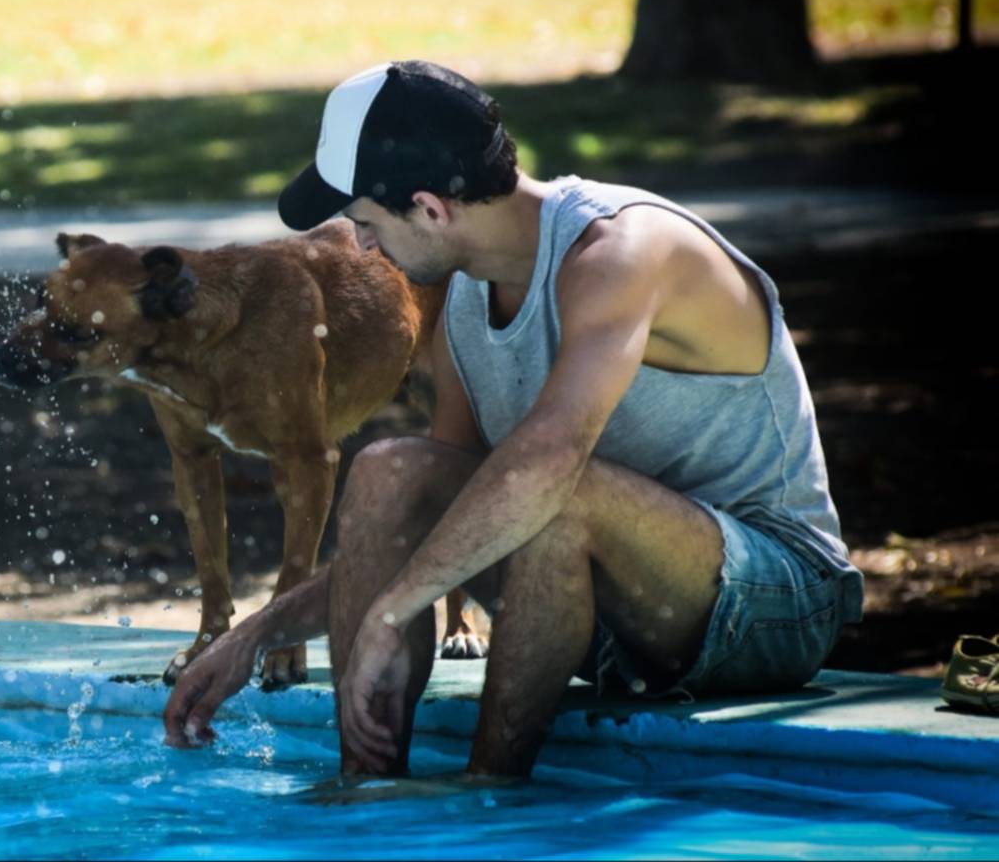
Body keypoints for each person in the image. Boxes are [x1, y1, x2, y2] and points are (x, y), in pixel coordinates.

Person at [162, 60, 864, 778]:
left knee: (556, 494)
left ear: (431, 208)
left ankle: (488, 797)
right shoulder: (466, 300)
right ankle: (366, 795)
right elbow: (433, 523)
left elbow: (551, 464)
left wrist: (391, 609)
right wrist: (256, 633)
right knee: (388, 471)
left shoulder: (621, 251)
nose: (363, 247)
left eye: (366, 223)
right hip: (613, 612)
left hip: (776, 603)